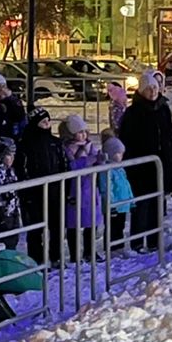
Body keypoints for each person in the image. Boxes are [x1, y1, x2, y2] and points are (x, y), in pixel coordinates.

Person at [118, 80, 172, 251]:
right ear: (141, 91)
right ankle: (137, 242)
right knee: (141, 205)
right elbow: (127, 139)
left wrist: (171, 162)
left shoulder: (163, 109)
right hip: (141, 165)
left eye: (154, 88)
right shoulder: (133, 112)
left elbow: (169, 137)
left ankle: (154, 241)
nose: (152, 91)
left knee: (157, 204)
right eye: (148, 88)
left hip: (161, 163)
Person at [16, 109, 68, 263]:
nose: (47, 124)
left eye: (48, 121)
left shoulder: (55, 142)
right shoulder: (25, 144)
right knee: (35, 228)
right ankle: (36, 259)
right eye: (43, 122)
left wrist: (64, 185)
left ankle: (56, 256)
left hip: (55, 190)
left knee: (57, 226)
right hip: (34, 192)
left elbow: (63, 164)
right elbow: (21, 168)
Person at [59, 115, 99, 262]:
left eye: (84, 131)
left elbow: (97, 161)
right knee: (74, 224)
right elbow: (71, 166)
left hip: (90, 189)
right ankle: (75, 254)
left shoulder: (90, 147)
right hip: (74, 190)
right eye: (79, 132)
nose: (83, 135)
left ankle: (90, 251)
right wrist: (88, 161)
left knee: (92, 222)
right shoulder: (67, 149)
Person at [101, 137, 133, 250]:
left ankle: (119, 246)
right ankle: (111, 248)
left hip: (122, 204)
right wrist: (110, 203)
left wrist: (130, 199)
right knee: (111, 228)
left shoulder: (120, 168)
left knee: (120, 226)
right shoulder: (106, 170)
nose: (121, 156)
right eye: (118, 153)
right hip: (113, 206)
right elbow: (106, 189)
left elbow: (126, 185)